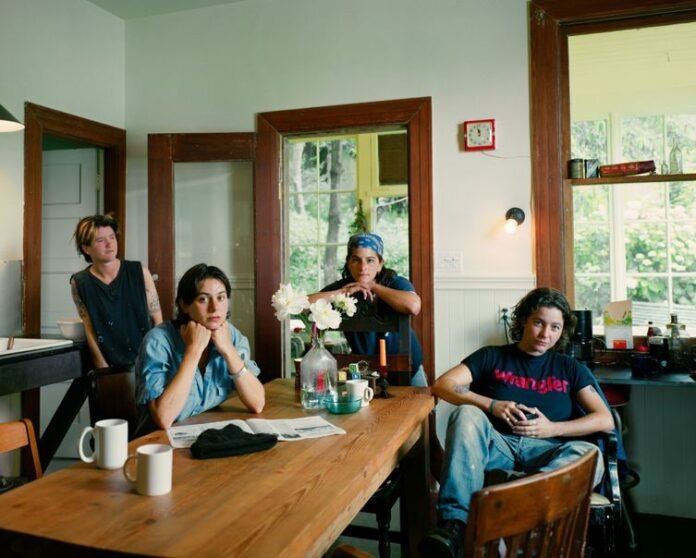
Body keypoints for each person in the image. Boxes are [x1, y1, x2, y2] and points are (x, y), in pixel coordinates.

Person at [420, 287, 614, 558]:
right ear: (523, 320)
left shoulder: (569, 367)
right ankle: (454, 527)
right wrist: (491, 404)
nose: (545, 334)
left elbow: (605, 420)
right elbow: (442, 385)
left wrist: (552, 428)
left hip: (548, 452)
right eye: (539, 323)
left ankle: (516, 502)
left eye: (555, 327)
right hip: (498, 447)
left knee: (590, 454)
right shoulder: (492, 356)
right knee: (465, 414)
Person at [134, 263, 264, 435]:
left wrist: (228, 350)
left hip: (203, 435)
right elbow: (164, 418)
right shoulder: (158, 342)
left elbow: (257, 403)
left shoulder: (231, 335)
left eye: (221, 298)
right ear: (184, 305)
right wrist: (193, 351)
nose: (214, 308)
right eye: (203, 299)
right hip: (156, 442)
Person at [308, 232, 426, 386]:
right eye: (356, 260)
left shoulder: (396, 282)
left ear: (380, 264)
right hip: (364, 372)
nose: (363, 267)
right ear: (348, 263)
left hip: (408, 370)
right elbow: (304, 304)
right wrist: (343, 292)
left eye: (370, 260)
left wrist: (373, 286)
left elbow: (414, 306)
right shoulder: (344, 287)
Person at [71, 213, 162, 368]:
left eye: (112, 237)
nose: (110, 244)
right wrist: (102, 368)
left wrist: (156, 360)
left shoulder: (140, 272)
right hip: (108, 364)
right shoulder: (79, 283)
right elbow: (90, 330)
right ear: (86, 248)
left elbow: (158, 321)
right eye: (101, 240)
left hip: (147, 363)